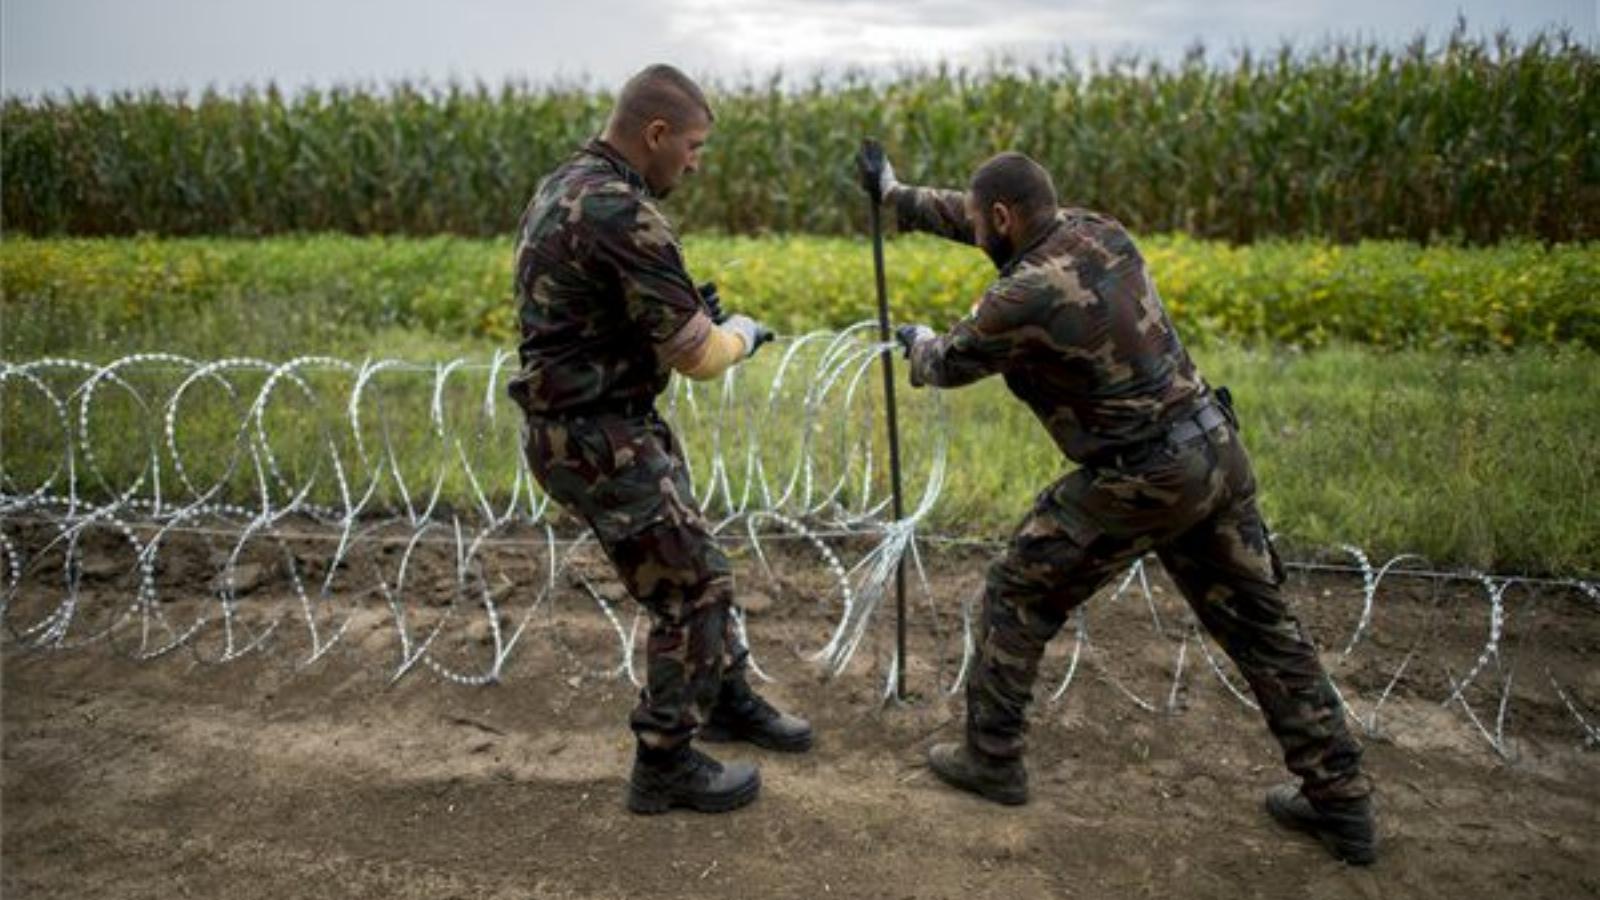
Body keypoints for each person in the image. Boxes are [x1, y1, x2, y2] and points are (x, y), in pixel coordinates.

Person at [856, 142, 1377, 865]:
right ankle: (1343, 803)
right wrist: (896, 195)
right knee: (1264, 628)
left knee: (1019, 588)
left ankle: (992, 757)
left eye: (981, 221)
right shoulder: (1101, 230)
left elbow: (946, 362)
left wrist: (914, 341)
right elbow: (969, 211)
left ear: (1004, 218)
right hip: (1215, 451)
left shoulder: (1023, 295)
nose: (974, 228)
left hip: (1143, 477)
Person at [509, 64, 812, 816]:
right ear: (655, 134)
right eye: (693, 145)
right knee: (693, 585)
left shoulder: (565, 183)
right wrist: (739, 334)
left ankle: (725, 696)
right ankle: (665, 761)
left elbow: (589, 311)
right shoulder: (620, 209)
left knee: (694, 554)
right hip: (598, 435)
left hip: (591, 422)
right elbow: (700, 358)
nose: (696, 161)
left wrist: (678, 317)